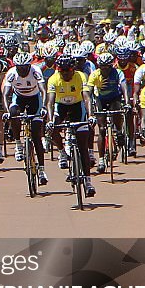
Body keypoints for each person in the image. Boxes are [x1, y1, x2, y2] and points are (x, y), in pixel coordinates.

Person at [45, 55, 96, 198]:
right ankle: (62, 151)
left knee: (83, 146)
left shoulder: (81, 76)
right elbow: (50, 102)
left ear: (73, 69)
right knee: (52, 128)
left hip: (77, 108)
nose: (66, 74)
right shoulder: (53, 79)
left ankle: (88, 181)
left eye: (68, 71)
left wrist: (91, 116)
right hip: (60, 107)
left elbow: (87, 97)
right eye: (62, 71)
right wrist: (49, 120)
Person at [1, 52, 48, 186]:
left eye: (24, 68)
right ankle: (18, 145)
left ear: (29, 66)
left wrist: (44, 107)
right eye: (19, 68)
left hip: (35, 99)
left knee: (36, 135)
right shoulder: (11, 73)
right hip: (19, 98)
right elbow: (5, 95)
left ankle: (41, 170)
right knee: (13, 113)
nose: (22, 70)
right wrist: (6, 112)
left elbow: (43, 91)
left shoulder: (36, 71)